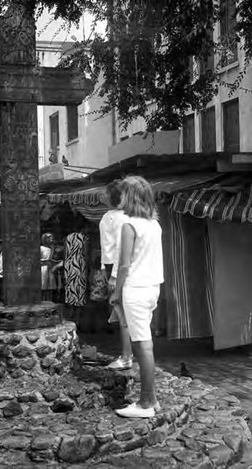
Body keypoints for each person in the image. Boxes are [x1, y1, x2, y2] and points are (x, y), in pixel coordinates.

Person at [108, 176, 164, 419]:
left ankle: (147, 402)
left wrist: (116, 293)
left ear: (128, 197)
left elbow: (124, 265)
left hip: (136, 289)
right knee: (144, 343)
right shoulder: (154, 224)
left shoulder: (129, 225)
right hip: (152, 287)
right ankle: (151, 398)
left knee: (143, 345)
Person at [99, 180, 133, 370]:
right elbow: (107, 245)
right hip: (114, 267)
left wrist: (112, 275)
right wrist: (105, 267)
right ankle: (127, 353)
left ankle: (127, 355)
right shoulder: (113, 217)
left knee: (123, 313)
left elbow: (120, 248)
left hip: (118, 269)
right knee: (121, 311)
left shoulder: (118, 219)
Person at [64, 227, 89, 325]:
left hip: (69, 266)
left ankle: (70, 316)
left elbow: (65, 253)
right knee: (80, 292)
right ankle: (77, 319)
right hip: (79, 266)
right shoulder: (84, 238)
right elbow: (85, 254)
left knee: (70, 290)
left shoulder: (68, 237)